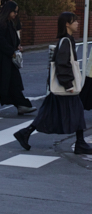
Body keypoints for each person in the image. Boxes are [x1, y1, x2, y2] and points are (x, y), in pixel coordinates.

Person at [14, 12, 92, 156]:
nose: (77, 23)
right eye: (74, 21)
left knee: (49, 112)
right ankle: (80, 143)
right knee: (77, 111)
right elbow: (62, 64)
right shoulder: (66, 41)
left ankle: (25, 132)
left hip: (59, 86)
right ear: (67, 24)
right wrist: (68, 84)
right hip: (65, 85)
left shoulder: (67, 40)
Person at [0, 0, 35, 115]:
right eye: (14, 11)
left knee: (9, 82)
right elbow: (0, 40)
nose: (15, 14)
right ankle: (21, 104)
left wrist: (17, 46)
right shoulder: (1, 23)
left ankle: (21, 104)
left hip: (3, 59)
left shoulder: (7, 23)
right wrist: (12, 51)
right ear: (8, 11)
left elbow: (11, 39)